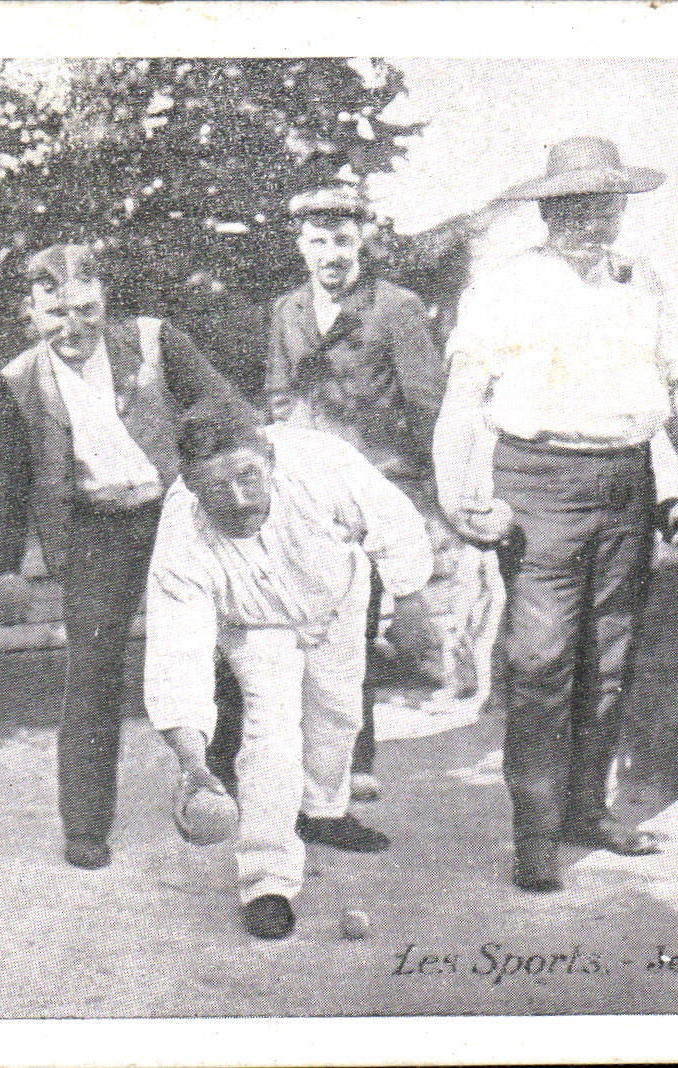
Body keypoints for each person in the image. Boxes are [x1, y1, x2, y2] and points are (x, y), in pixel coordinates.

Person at [433, 137, 678, 893]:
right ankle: (535, 833)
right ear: (550, 210)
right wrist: (453, 498)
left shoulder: (641, 281)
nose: (596, 219)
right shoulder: (504, 289)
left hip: (626, 482)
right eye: (579, 205)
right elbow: (462, 403)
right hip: (539, 486)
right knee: (543, 661)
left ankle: (587, 813)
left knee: (609, 661)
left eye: (608, 204)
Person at [0, 243, 240, 871]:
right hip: (96, 529)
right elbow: (2, 485)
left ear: (106, 302)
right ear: (30, 313)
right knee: (92, 673)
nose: (75, 329)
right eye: (57, 314)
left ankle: (222, 781)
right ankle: (87, 825)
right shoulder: (16, 383)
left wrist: (203, 454)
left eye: (88, 310)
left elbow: (221, 405)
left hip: (175, 513)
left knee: (225, 646)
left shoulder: (153, 341)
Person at [145, 399, 432, 939]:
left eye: (249, 477)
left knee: (339, 712)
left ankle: (323, 810)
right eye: (215, 489)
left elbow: (392, 522)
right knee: (271, 738)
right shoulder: (181, 537)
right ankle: (266, 880)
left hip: (338, 598)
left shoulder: (320, 462)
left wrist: (412, 600)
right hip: (256, 627)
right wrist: (194, 765)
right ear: (189, 485)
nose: (237, 500)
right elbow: (176, 658)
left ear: (270, 459)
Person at [206, 186, 447, 804]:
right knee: (278, 617)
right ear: (301, 245)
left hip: (373, 485)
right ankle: (256, 756)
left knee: (353, 624)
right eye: (318, 241)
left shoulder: (397, 308)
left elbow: (427, 404)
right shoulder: (287, 310)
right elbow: (278, 395)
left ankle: (351, 765)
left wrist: (427, 492)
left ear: (363, 239)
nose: (332, 254)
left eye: (343, 239)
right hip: (302, 491)